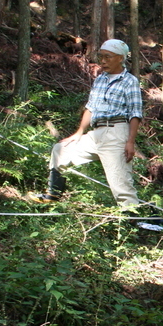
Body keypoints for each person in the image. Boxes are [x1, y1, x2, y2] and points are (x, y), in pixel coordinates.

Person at [31, 39, 143, 207]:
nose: (103, 61)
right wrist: (79, 133)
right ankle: (52, 195)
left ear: (120, 58)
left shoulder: (129, 81)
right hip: (96, 132)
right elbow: (90, 108)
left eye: (108, 57)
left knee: (121, 185)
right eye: (101, 56)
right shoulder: (100, 79)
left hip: (117, 132)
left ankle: (138, 223)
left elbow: (135, 113)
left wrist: (130, 142)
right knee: (60, 150)